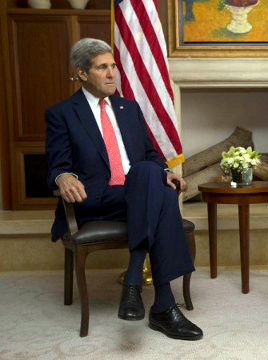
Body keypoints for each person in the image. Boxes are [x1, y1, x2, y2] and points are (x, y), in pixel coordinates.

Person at [45, 38, 203, 341]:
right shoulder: (62, 113)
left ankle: (144, 291)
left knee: (150, 173)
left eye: (113, 66)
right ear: (81, 73)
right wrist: (63, 176)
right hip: (96, 199)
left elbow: (149, 155)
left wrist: (167, 171)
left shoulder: (129, 108)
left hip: (137, 194)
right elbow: (56, 164)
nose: (111, 74)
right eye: (102, 67)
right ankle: (160, 303)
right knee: (161, 195)